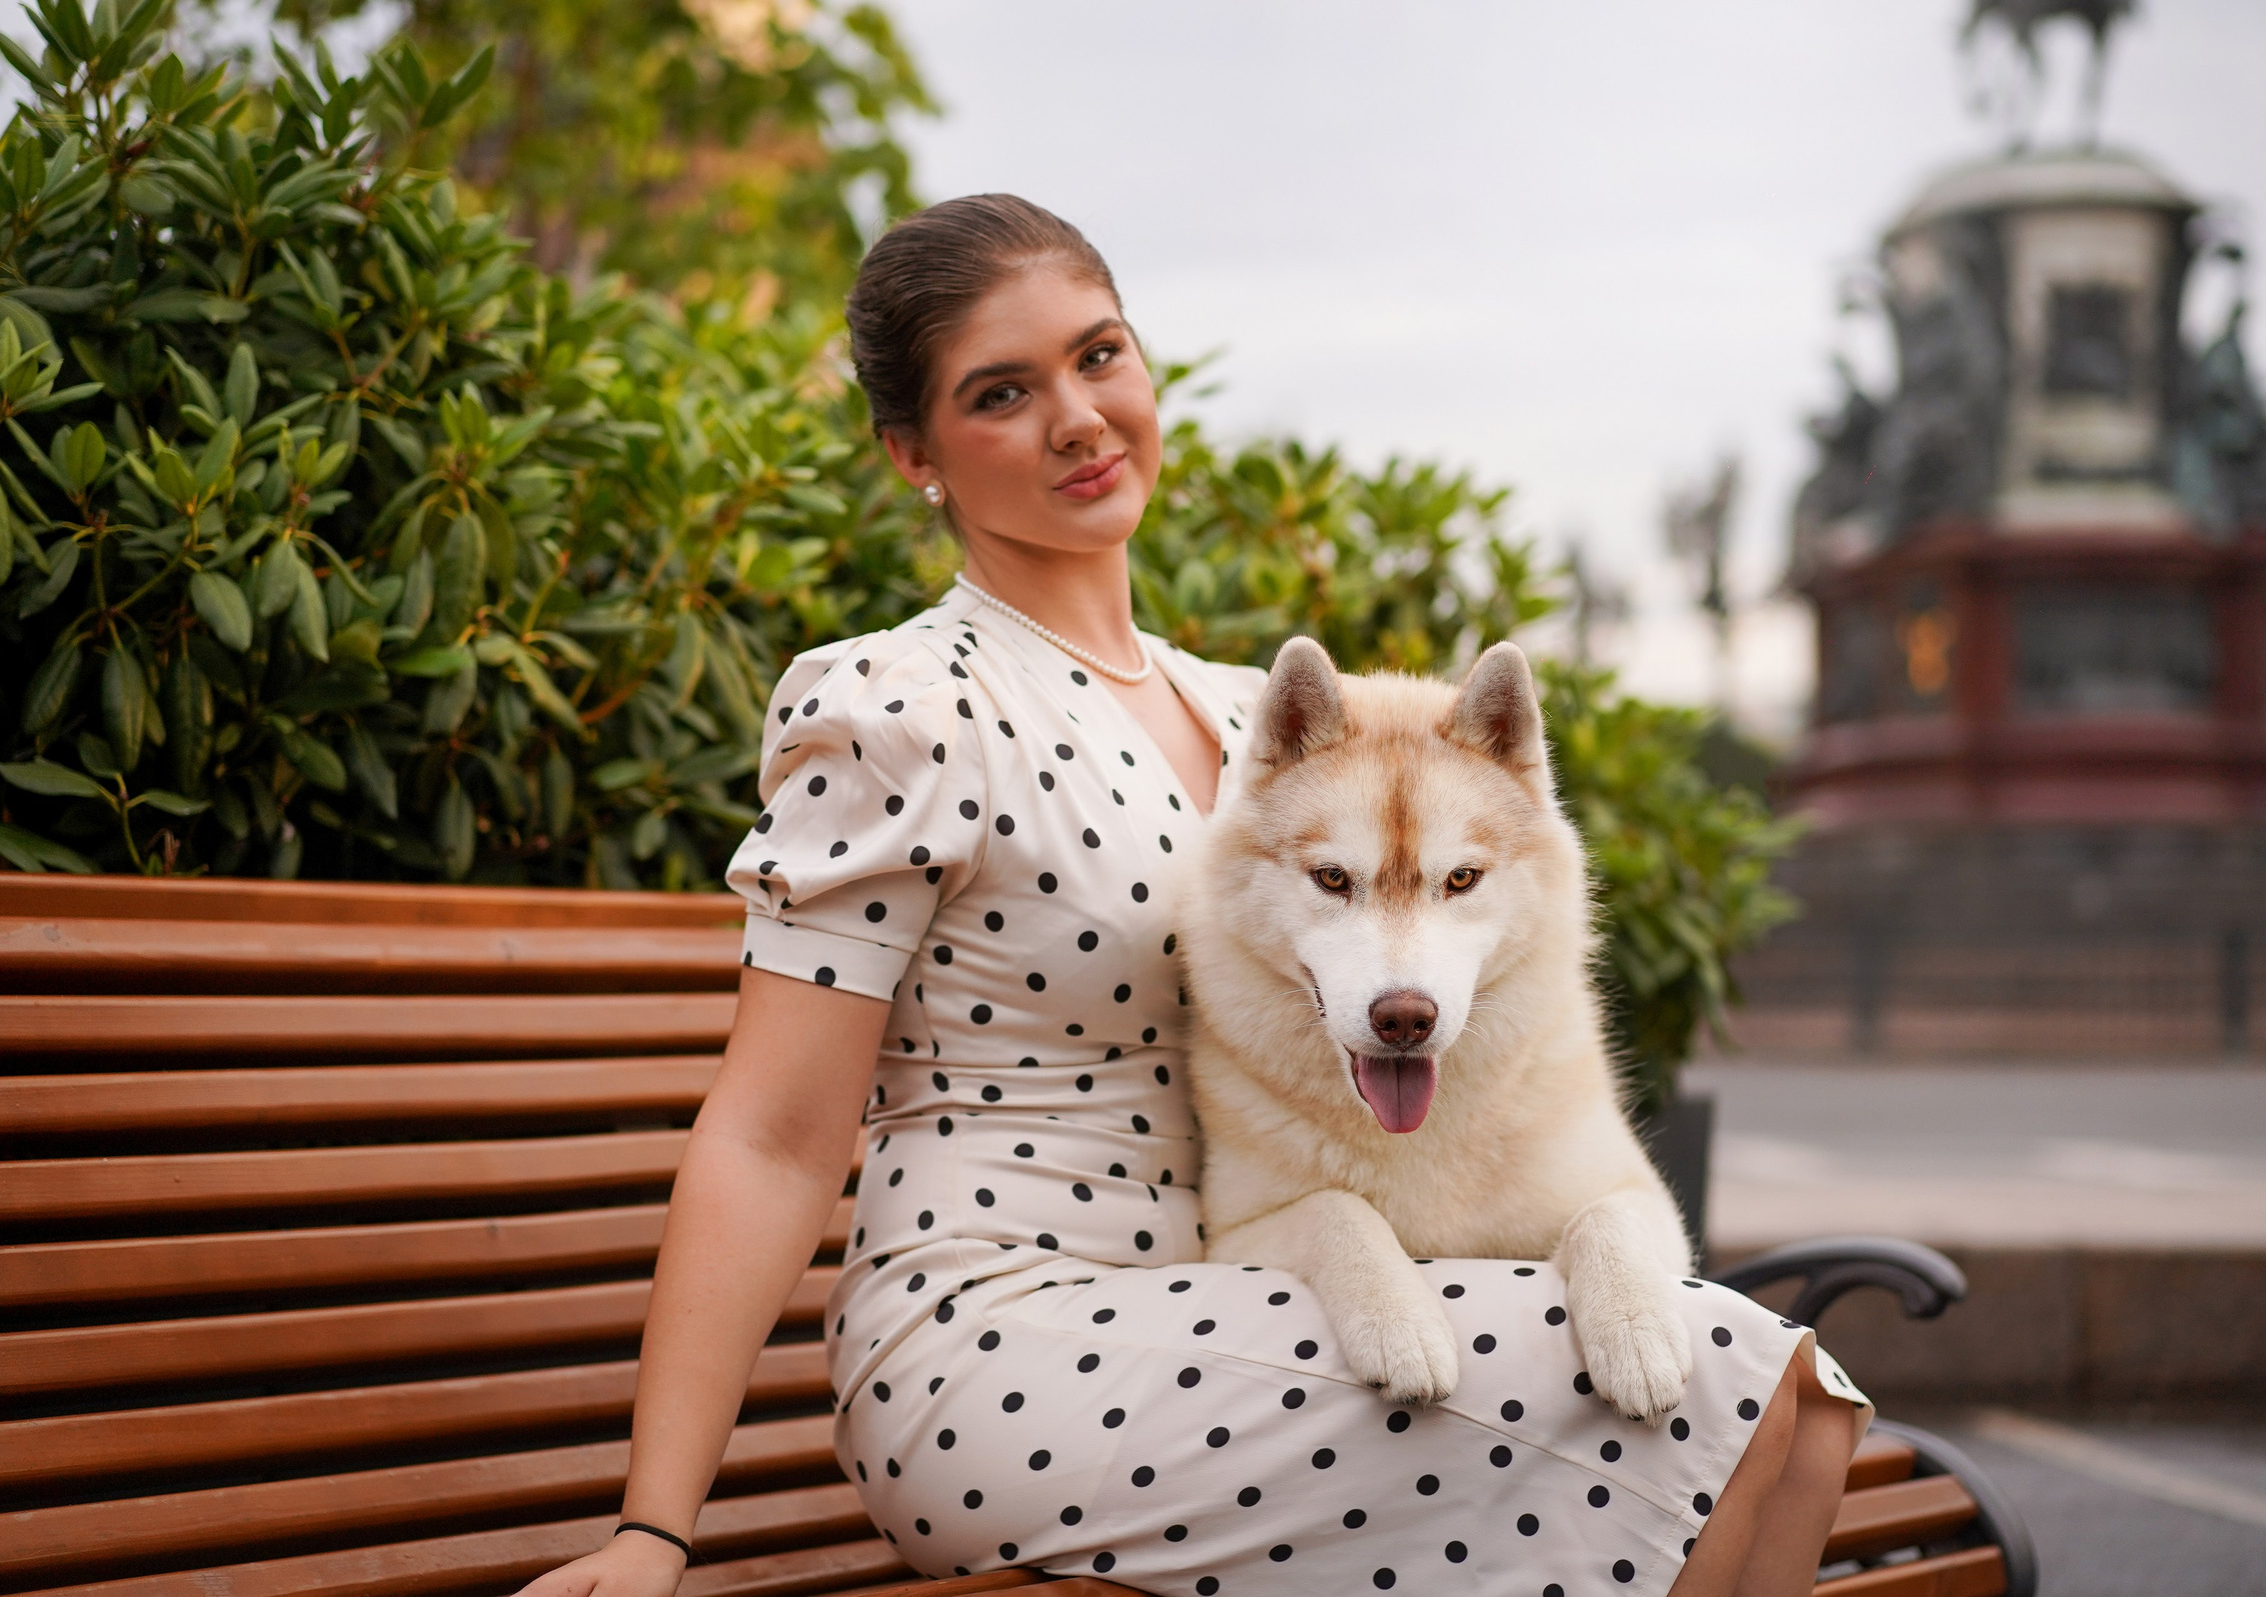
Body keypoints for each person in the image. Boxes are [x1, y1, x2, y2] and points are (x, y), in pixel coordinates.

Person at [514, 195, 1866, 1597]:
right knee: (1731, 1385)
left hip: (1232, 1300)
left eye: (1100, 357)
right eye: (1003, 393)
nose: (1079, 418)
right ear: (915, 457)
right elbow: (777, 1138)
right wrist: (651, 1530)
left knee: (1794, 1402)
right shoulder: (903, 708)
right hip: (1003, 1344)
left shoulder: (1263, 721)